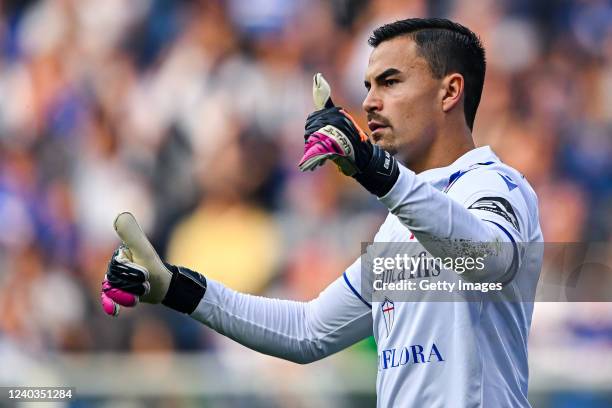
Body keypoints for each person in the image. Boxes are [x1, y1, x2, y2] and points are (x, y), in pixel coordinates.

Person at [101, 18, 543, 407]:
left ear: (450, 91)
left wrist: (375, 170)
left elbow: (490, 261)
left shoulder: (496, 184)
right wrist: (177, 288)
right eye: (368, 85)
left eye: (390, 82)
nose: (369, 101)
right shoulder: (399, 222)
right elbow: (308, 330)